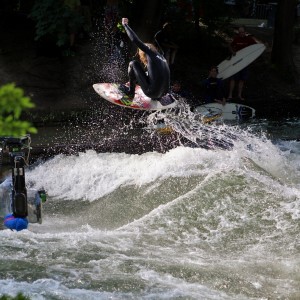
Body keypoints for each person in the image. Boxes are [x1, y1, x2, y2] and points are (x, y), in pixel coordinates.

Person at [120, 18, 172, 105]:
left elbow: (135, 40)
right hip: (164, 93)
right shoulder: (161, 56)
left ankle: (130, 92)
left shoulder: (149, 51)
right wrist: (134, 79)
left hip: (152, 92)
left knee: (133, 63)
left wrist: (125, 25)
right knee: (149, 74)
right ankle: (157, 97)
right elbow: (153, 76)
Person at [227, 25, 261, 101]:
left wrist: (263, 46)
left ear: (245, 32)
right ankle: (230, 95)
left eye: (242, 32)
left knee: (242, 79)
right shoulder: (236, 38)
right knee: (233, 78)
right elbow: (229, 46)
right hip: (236, 61)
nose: (241, 33)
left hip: (245, 63)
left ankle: (239, 95)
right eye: (240, 32)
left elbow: (256, 47)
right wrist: (233, 52)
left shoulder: (249, 39)